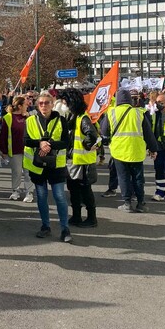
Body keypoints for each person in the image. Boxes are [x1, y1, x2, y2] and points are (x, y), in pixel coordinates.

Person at [23, 91, 71, 242]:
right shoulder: (30, 120)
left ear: (52, 104)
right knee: (42, 197)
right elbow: (26, 140)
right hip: (37, 166)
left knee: (59, 197)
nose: (44, 105)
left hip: (56, 165)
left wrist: (49, 145)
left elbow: (66, 142)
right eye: (41, 103)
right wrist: (40, 143)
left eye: (47, 103)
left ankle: (65, 229)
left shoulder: (61, 120)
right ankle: (45, 226)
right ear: (37, 105)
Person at [100, 88, 158, 213]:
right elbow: (148, 134)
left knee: (123, 177)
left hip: (119, 151)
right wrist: (153, 149)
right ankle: (141, 203)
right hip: (136, 150)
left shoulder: (111, 113)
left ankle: (127, 203)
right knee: (138, 177)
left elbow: (104, 132)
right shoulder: (139, 112)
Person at [61, 88, 99, 228]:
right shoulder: (73, 116)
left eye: (65, 101)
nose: (63, 104)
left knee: (85, 191)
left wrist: (86, 145)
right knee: (74, 190)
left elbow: (92, 135)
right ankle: (76, 215)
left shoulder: (83, 118)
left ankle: (91, 218)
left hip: (82, 162)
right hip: (73, 160)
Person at [0, 96, 34, 203]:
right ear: (20, 106)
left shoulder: (29, 117)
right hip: (14, 150)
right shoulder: (8, 117)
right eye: (25, 104)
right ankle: (16, 190)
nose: (27, 106)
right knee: (17, 172)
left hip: (28, 150)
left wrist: (28, 116)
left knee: (29, 172)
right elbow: (3, 135)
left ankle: (29, 192)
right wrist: (3, 151)